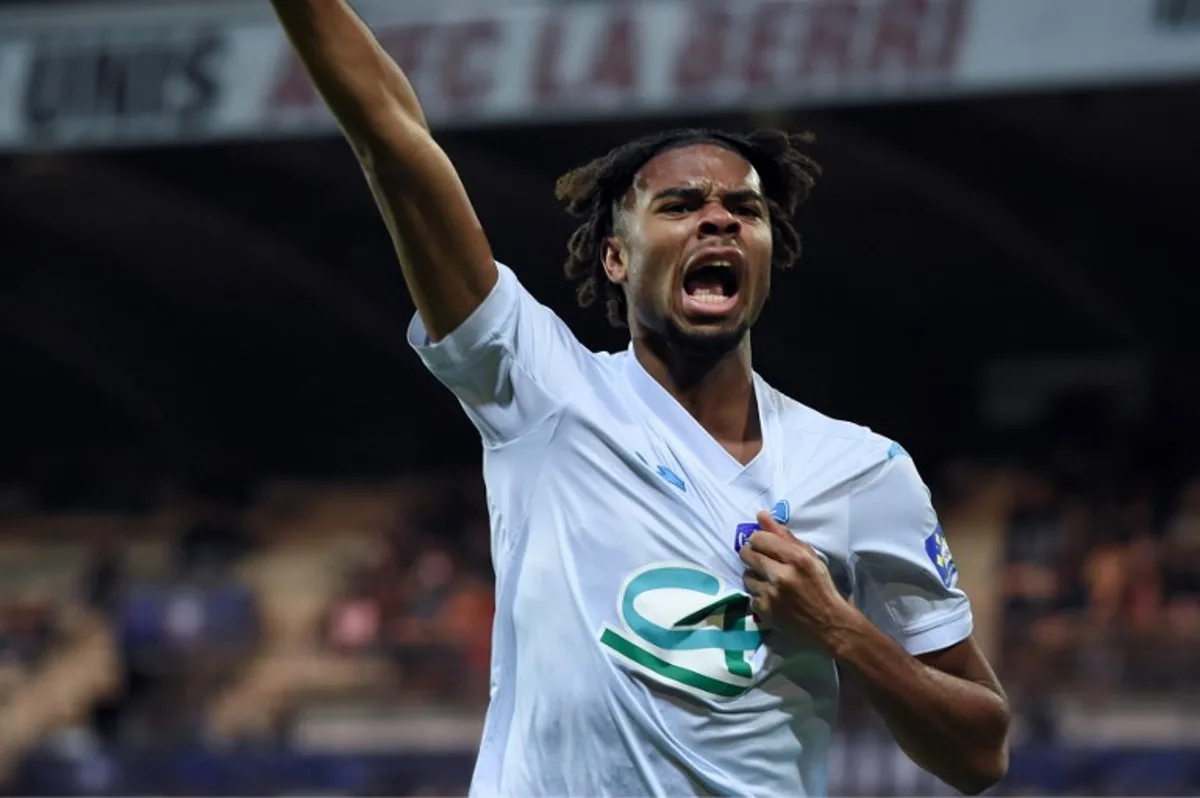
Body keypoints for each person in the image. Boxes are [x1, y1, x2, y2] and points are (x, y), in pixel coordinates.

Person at [270, 2, 1010, 795]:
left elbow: (979, 753)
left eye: (745, 209)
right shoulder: (541, 391)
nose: (719, 218)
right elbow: (393, 140)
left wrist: (842, 630)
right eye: (681, 205)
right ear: (615, 258)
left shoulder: (861, 472)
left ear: (767, 251)